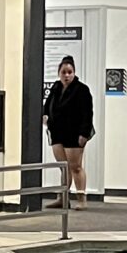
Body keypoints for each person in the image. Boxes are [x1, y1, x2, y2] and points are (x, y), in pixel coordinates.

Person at [43, 55, 95, 207]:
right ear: (59, 73)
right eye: (64, 72)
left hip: (74, 133)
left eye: (69, 72)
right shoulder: (56, 87)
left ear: (74, 73)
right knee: (64, 168)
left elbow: (87, 113)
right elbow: (47, 105)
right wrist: (45, 115)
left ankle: (81, 199)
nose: (66, 75)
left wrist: (84, 133)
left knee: (75, 167)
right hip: (57, 132)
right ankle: (63, 198)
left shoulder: (82, 90)